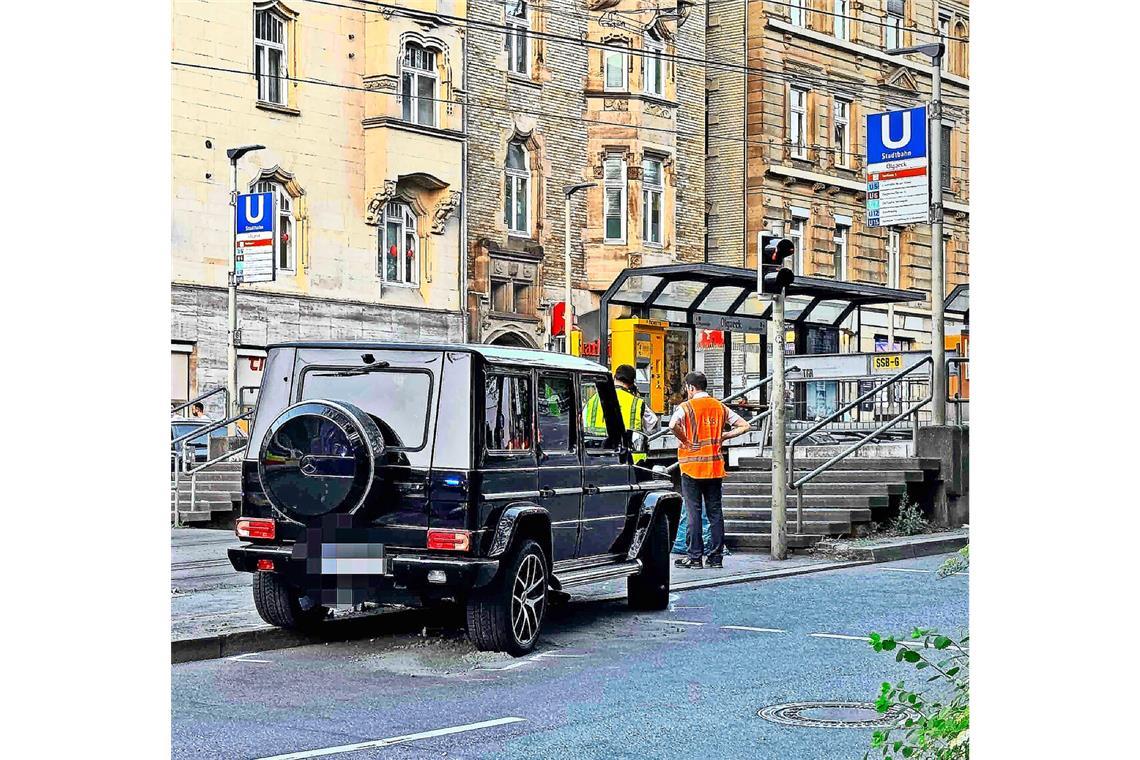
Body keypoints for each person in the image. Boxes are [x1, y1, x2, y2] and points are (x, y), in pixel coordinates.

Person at [669, 371, 751, 569]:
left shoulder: (685, 407)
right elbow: (745, 426)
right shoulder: (719, 407)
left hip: (691, 468)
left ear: (690, 388)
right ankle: (716, 557)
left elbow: (672, 425)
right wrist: (724, 436)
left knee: (693, 512)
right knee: (715, 512)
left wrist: (686, 440)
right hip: (714, 467)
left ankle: (695, 557)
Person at [583, 364, 658, 463]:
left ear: (614, 378)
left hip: (595, 457)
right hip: (627, 460)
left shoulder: (593, 399)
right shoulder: (637, 403)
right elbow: (652, 424)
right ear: (632, 383)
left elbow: (582, 422)